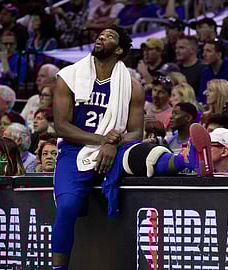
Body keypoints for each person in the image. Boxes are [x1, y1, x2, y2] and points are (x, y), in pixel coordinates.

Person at [52, 25, 144, 269]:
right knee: (68, 206)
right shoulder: (68, 77)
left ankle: (182, 161)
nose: (102, 36)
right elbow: (61, 127)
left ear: (120, 49)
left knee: (144, 154)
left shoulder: (133, 86)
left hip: (116, 150)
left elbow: (136, 132)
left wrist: (113, 144)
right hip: (75, 148)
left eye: (110, 36)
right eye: (101, 34)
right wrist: (104, 141)